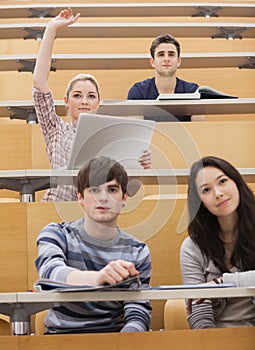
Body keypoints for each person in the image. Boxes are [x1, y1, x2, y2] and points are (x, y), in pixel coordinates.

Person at [33, 7, 152, 202]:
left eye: (90, 96)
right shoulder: (56, 129)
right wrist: (51, 29)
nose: (84, 102)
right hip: (58, 208)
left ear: (98, 102)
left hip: (97, 211)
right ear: (67, 101)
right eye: (77, 96)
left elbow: (130, 190)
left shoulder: (112, 138)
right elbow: (39, 81)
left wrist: (140, 166)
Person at [35, 156, 152, 334]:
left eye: (112, 190)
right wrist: (97, 278)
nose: (103, 198)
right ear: (80, 197)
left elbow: (138, 311)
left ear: (125, 197)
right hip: (61, 339)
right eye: (94, 190)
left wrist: (123, 343)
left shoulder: (138, 251)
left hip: (116, 340)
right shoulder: (56, 234)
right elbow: (51, 274)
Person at [180, 156, 255, 329]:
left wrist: (221, 283)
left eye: (222, 181)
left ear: (236, 182)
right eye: (206, 190)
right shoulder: (192, 248)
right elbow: (198, 310)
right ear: (201, 203)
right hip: (218, 337)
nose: (218, 193)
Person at [127, 34, 205, 122]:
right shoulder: (138, 91)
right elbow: (136, 131)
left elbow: (198, 131)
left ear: (178, 61)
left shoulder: (192, 91)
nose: (166, 59)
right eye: (161, 55)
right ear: (152, 62)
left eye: (171, 54)